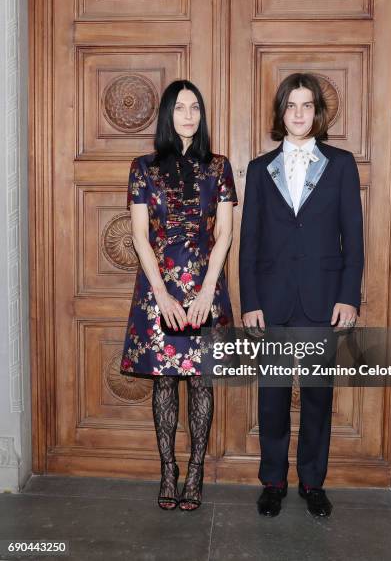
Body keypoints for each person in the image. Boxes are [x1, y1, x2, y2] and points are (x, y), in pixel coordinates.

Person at [239, 73, 364, 518]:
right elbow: (248, 241)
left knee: (317, 395)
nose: (298, 113)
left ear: (318, 113)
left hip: (322, 299)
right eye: (291, 105)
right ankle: (272, 481)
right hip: (271, 301)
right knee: (271, 396)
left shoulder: (342, 164)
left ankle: (313, 482)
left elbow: (354, 238)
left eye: (306, 106)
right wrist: (250, 301)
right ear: (280, 112)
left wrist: (349, 296)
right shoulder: (258, 169)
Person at [121, 80, 238, 511]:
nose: (189, 115)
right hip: (159, 292)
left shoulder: (219, 166)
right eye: (180, 108)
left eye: (195, 108)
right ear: (168, 114)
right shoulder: (143, 167)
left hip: (206, 291)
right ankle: (168, 470)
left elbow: (224, 233)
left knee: (202, 382)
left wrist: (208, 288)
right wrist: (162, 295)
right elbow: (138, 236)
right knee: (165, 381)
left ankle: (196, 473)